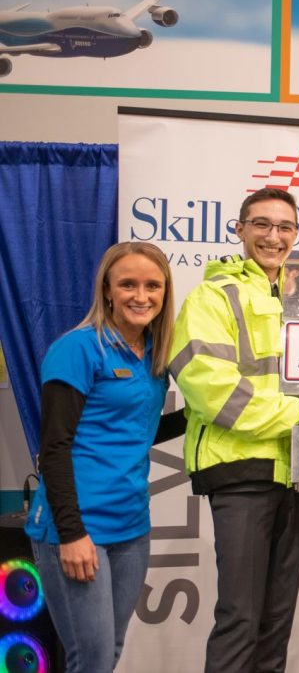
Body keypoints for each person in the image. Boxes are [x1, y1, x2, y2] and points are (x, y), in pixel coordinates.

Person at [170, 188, 299, 672]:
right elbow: (210, 389)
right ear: (239, 230)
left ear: (296, 235)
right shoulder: (212, 296)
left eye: (285, 228)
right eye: (261, 224)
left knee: (276, 622)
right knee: (240, 618)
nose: (273, 237)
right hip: (241, 471)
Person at [25, 241, 183, 672]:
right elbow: (54, 447)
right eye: (128, 284)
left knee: (109, 651)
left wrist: (207, 415)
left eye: (153, 285)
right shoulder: (78, 349)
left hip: (131, 526)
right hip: (77, 528)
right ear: (107, 291)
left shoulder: (153, 354)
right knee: (90, 658)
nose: (141, 295)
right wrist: (72, 534)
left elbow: (137, 430)